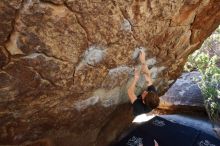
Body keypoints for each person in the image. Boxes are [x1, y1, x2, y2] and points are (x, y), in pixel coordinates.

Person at [128, 50, 160, 118]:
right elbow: (148, 76)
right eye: (147, 92)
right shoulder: (152, 93)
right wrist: (143, 61)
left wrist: (136, 78)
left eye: (144, 94)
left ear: (143, 102)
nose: (145, 91)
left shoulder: (139, 107)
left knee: (132, 111)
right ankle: (151, 112)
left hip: (135, 111)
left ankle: (144, 114)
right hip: (148, 105)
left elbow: (130, 92)